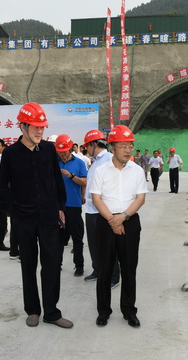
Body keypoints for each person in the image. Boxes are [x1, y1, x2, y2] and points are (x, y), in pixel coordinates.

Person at [0, 102, 73, 329]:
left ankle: (51, 312)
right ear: (22, 126)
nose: (40, 131)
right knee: (28, 266)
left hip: (49, 217)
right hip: (25, 220)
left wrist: (60, 207)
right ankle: (32, 310)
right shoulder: (10, 153)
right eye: (35, 127)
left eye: (42, 127)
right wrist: (14, 213)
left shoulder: (49, 149)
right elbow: (3, 187)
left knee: (52, 264)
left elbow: (57, 179)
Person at [89, 125, 147, 328]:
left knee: (129, 269)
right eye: (123, 146)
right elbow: (96, 198)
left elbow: (140, 198)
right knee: (104, 269)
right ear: (112, 148)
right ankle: (103, 311)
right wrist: (113, 221)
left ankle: (129, 311)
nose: (128, 150)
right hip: (106, 223)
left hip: (130, 221)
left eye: (130, 146)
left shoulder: (137, 170)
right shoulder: (100, 170)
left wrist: (123, 217)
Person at [82, 129, 120, 288]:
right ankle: (98, 270)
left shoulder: (109, 159)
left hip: (102, 210)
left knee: (107, 245)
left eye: (87, 147)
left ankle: (113, 276)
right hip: (91, 209)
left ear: (93, 144)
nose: (86, 150)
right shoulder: (95, 161)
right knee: (94, 244)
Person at [55, 134, 87, 277]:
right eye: (59, 151)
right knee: (58, 238)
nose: (62, 154)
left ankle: (79, 265)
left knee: (77, 237)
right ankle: (57, 264)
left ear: (70, 149)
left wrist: (71, 176)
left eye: (64, 151)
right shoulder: (54, 163)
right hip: (58, 206)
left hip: (73, 205)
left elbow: (84, 182)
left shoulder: (79, 163)